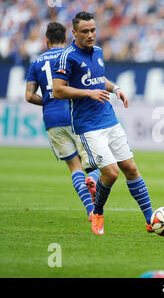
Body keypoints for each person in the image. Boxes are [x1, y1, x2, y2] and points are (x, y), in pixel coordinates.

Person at [52, 12, 153, 236]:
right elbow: (57, 90)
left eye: (93, 30)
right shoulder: (67, 56)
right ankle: (97, 212)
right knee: (111, 172)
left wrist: (115, 89)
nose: (90, 35)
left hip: (109, 119)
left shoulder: (98, 52)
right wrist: (87, 93)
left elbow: (99, 79)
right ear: (75, 33)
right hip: (87, 126)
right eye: (85, 31)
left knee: (131, 168)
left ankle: (150, 219)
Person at [25, 21, 100, 222]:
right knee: (97, 163)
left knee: (75, 167)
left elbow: (29, 96)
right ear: (67, 38)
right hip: (76, 115)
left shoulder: (36, 62)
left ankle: (90, 210)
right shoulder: (71, 56)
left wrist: (48, 102)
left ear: (46, 40)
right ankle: (92, 179)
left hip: (52, 119)